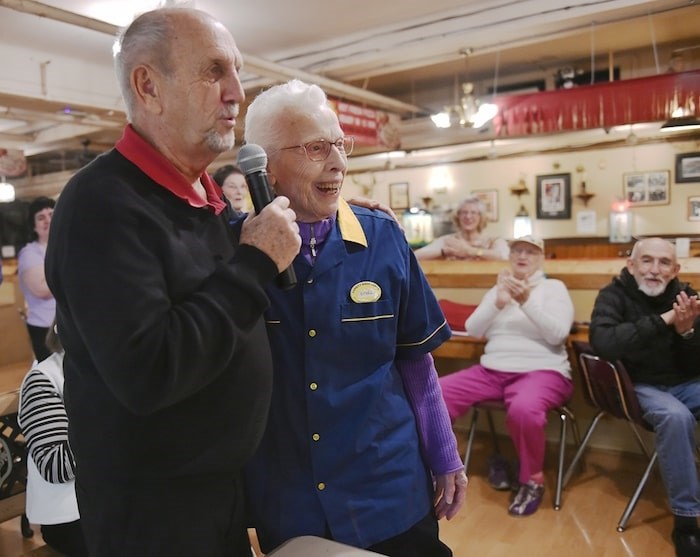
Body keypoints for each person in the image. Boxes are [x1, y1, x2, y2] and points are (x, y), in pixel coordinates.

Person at [44, 8, 300, 556]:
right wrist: (255, 262)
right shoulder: (102, 203)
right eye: (214, 71)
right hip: (153, 514)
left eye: (236, 71)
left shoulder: (197, 196)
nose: (237, 91)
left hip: (216, 493)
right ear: (148, 87)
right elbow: (149, 369)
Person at [242, 79, 467, 556]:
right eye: (316, 147)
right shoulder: (237, 250)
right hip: (291, 495)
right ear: (266, 168)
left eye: (341, 145)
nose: (339, 163)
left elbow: (415, 363)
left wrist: (446, 456)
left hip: (387, 485)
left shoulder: (383, 237)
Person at [439, 235, 574, 516]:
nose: (522, 256)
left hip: (542, 371)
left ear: (541, 258)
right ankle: (438, 466)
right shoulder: (497, 289)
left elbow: (558, 334)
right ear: (510, 256)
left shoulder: (554, 288)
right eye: (517, 251)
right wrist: (498, 302)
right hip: (492, 370)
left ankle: (532, 480)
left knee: (524, 408)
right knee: (437, 394)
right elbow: (474, 329)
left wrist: (526, 302)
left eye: (530, 251)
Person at [589, 237, 700, 557]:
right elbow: (605, 343)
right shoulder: (613, 295)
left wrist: (687, 333)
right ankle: (687, 523)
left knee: (680, 408)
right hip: (639, 387)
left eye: (664, 263)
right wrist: (666, 320)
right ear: (632, 265)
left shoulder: (687, 297)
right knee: (676, 417)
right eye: (646, 261)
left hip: (684, 383)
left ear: (676, 269)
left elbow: (695, 364)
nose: (654, 270)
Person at [18, 321, 88, 557]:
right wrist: (106, 419)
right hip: (71, 514)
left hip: (117, 500)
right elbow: (55, 467)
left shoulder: (113, 370)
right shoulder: (42, 379)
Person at [18, 196, 56, 363]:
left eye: (51, 214)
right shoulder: (29, 253)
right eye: (41, 217)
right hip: (44, 327)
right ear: (34, 226)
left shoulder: (63, 245)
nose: (47, 220)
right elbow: (42, 290)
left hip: (68, 323)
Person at [414, 196, 508, 260]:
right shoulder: (448, 241)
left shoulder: (492, 241)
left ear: (481, 217)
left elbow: (505, 256)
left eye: (473, 213)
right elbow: (415, 256)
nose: (468, 216)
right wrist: (443, 252)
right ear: (457, 216)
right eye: (464, 212)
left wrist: (470, 251)